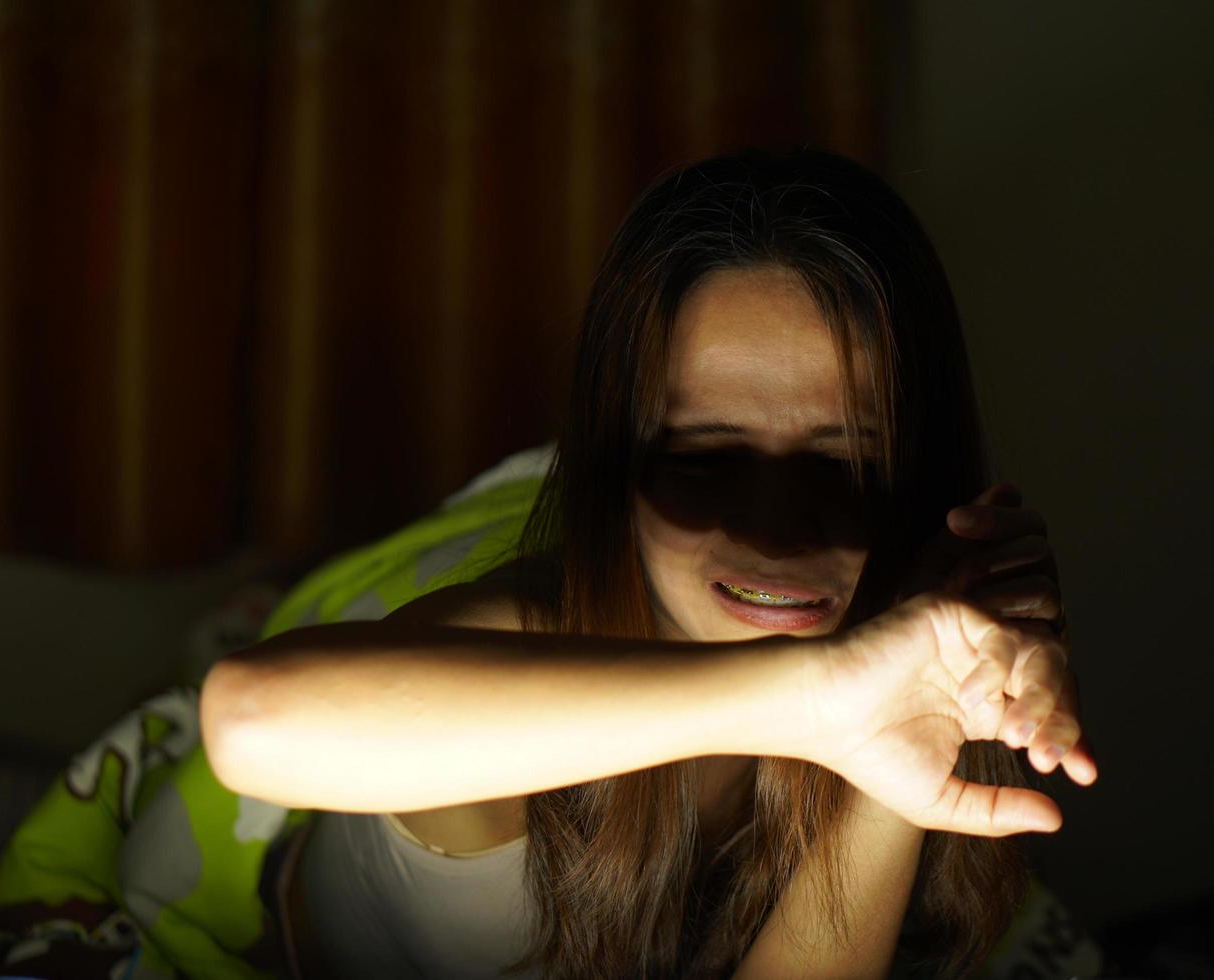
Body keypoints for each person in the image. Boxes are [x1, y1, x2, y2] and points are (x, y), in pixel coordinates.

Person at [201, 147, 1098, 980]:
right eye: (706, 460)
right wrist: (813, 698)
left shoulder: (902, 616)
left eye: (846, 465)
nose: (778, 534)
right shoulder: (517, 644)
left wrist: (912, 713)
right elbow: (250, 722)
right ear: (614, 466)